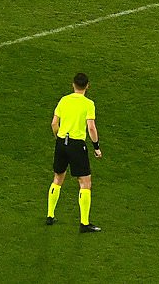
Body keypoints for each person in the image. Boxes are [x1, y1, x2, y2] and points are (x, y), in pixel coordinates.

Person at [46, 72, 102, 232]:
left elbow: (54, 123)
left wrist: (59, 138)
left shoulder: (64, 100)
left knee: (57, 178)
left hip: (61, 143)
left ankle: (50, 215)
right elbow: (91, 127)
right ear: (87, 86)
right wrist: (96, 147)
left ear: (73, 84)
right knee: (85, 183)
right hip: (77, 146)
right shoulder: (88, 104)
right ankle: (84, 223)